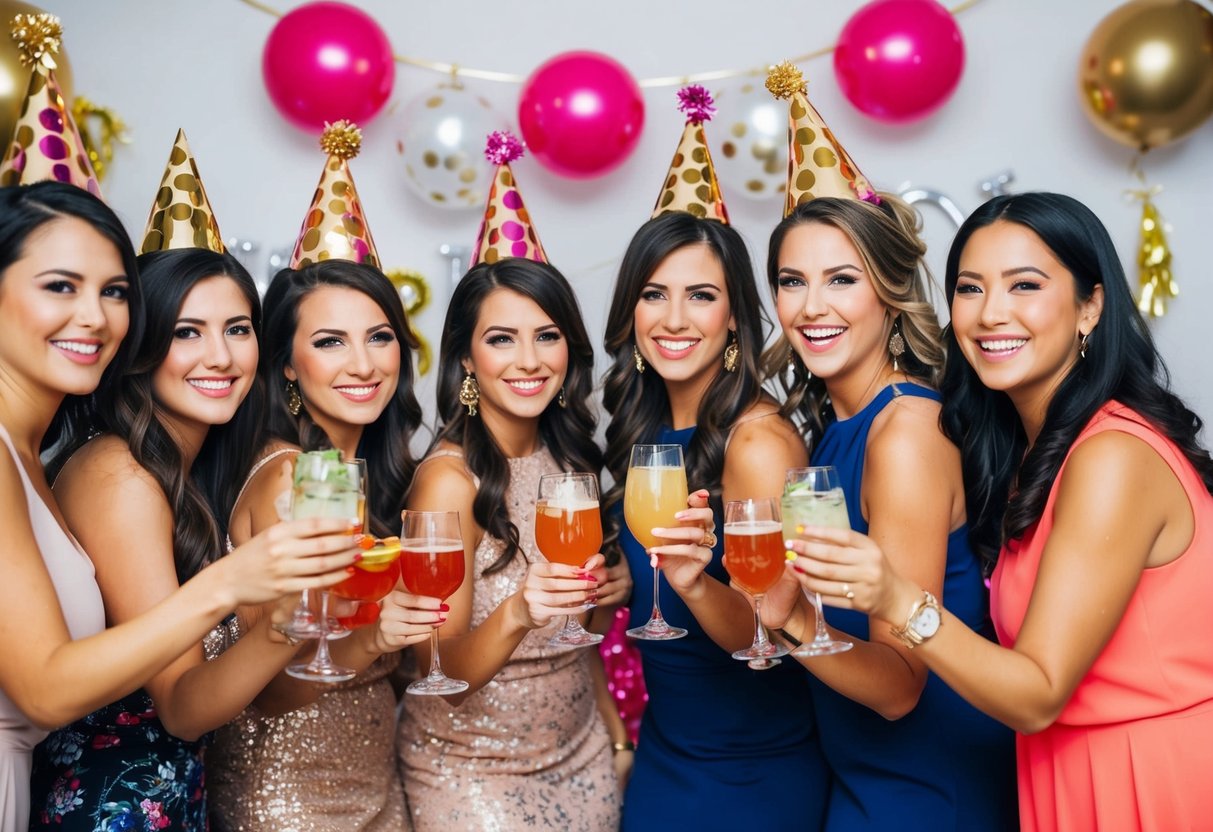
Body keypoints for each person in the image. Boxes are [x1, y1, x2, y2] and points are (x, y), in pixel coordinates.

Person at [790, 192, 1213, 831]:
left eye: (1025, 286)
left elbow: (1039, 694)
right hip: (1058, 775)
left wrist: (897, 598)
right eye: (970, 288)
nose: (992, 314)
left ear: (1090, 307)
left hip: (1147, 780)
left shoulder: (1113, 457)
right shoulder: (1033, 452)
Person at [0, 182, 357, 829]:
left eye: (112, 292)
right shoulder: (116, 473)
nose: (93, 316)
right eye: (61, 286)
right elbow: (56, 691)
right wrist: (230, 582)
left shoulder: (45, 450)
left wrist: (291, 621)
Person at [759, 194, 1015, 830]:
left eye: (842, 279)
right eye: (793, 281)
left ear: (891, 294)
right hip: (860, 775)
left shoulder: (905, 432)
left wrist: (785, 620)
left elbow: (902, 687)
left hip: (928, 785)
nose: (812, 306)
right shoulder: (834, 427)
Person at [601, 210, 828, 830]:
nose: (674, 319)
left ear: (733, 317)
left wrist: (694, 586)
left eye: (700, 296)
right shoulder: (646, 431)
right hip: (664, 759)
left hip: (748, 776)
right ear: (632, 311)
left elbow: (769, 637)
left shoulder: (756, 442)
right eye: (655, 294)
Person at [207, 259, 439, 832]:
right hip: (295, 797)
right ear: (285, 363)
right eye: (330, 342)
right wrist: (374, 640)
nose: (363, 364)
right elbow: (269, 693)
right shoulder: (292, 476)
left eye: (380, 337)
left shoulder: (357, 473)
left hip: (371, 780)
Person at [397, 257, 627, 831]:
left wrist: (603, 599)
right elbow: (438, 672)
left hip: (584, 758)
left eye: (546, 336)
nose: (529, 360)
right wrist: (518, 611)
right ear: (467, 359)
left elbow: (577, 638)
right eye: (502, 339)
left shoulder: (570, 460)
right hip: (473, 776)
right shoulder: (450, 481)